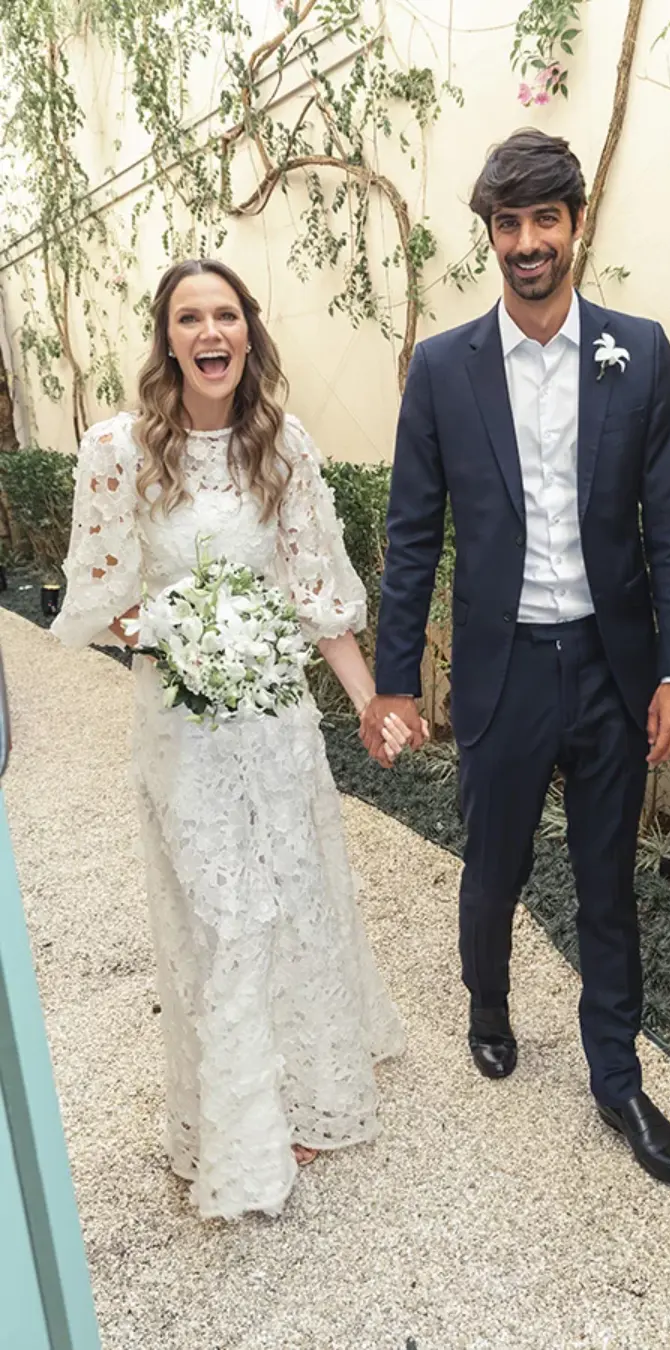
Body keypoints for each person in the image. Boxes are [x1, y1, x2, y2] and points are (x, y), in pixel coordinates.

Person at [361, 130, 670, 1186]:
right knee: (494, 866)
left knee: (607, 884)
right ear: (492, 238)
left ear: (574, 226)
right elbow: (413, 531)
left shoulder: (638, 353)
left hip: (611, 672)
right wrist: (392, 681)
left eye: (543, 221)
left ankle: (616, 1079)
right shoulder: (444, 370)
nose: (526, 243)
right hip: (503, 676)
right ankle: (489, 1001)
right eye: (507, 225)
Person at [52, 258, 414, 1220]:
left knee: (292, 903)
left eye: (225, 315)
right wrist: (177, 632)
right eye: (188, 318)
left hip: (274, 726)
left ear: (247, 332)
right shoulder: (118, 450)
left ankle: (298, 1093)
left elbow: (315, 593)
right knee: (220, 915)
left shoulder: (280, 444)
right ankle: (234, 1127)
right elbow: (99, 602)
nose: (210, 333)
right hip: (181, 729)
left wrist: (371, 703)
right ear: (167, 337)